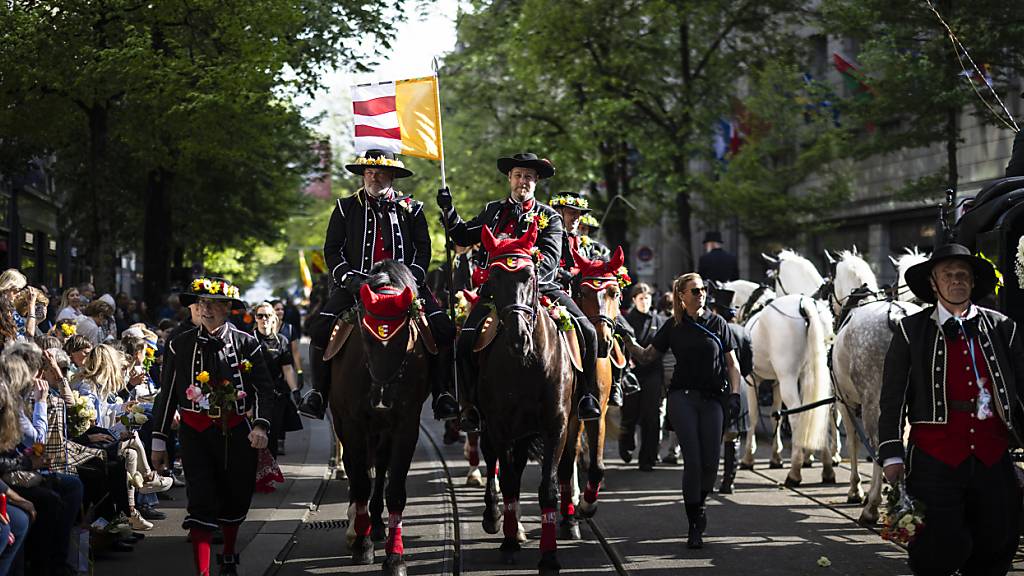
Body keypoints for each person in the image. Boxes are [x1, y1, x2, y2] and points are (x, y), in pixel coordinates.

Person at [879, 243, 1024, 576]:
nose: (956, 280)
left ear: (972, 283)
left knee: (997, 537)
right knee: (935, 544)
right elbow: (892, 398)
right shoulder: (910, 331)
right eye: (948, 275)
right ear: (933, 283)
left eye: (963, 275)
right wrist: (891, 454)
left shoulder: (1003, 328)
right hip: (934, 456)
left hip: (992, 452)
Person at [437, 152, 603, 431]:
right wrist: (449, 210)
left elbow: (550, 258)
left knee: (587, 330)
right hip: (496, 293)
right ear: (509, 179)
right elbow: (463, 235)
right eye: (518, 175)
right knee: (464, 340)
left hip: (540, 289)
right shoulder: (493, 210)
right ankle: (469, 405)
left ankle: (587, 396)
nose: (522, 181)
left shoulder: (550, 217)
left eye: (528, 177)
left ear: (536, 181)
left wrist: (528, 279)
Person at [297, 150, 458, 422]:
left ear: (392, 176)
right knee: (320, 328)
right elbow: (333, 250)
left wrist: (411, 279)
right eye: (369, 172)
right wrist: (348, 279)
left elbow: (423, 250)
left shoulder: (413, 209)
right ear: (363, 176)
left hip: (405, 288)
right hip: (356, 285)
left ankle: (442, 394)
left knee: (443, 327)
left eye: (380, 172)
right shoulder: (344, 207)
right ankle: (318, 394)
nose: (374, 177)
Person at [151, 277, 275, 576]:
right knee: (201, 500)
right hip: (194, 433)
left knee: (235, 495)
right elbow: (167, 393)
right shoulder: (179, 344)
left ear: (227, 307)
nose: (205, 310)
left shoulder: (247, 342)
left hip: (236, 431)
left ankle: (229, 555)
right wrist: (158, 440)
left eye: (213, 304)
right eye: (201, 303)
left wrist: (259, 426)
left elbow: (265, 390)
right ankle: (203, 571)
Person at [625, 273, 742, 549]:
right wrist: (626, 339)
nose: (701, 294)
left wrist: (735, 395)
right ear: (682, 296)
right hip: (682, 398)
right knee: (693, 460)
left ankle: (699, 504)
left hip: (713, 400)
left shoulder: (718, 323)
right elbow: (647, 356)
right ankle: (694, 522)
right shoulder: (673, 326)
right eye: (694, 291)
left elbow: (733, 364)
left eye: (703, 289)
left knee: (711, 463)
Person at [707, 285, 751, 494]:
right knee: (732, 437)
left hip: (716, 385)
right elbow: (748, 365)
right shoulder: (743, 331)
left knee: (712, 435)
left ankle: (709, 479)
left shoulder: (713, 328)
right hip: (738, 386)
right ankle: (729, 482)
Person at [619, 283, 666, 472]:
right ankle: (626, 443)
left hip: (653, 373)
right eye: (641, 299)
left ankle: (647, 456)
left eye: (647, 298)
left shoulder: (660, 320)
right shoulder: (626, 320)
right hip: (632, 374)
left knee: (651, 417)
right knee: (630, 415)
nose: (645, 302)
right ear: (634, 300)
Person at [252, 302, 302, 457]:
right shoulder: (248, 340)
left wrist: (294, 390)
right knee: (253, 438)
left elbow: (287, 368)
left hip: (277, 396)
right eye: (260, 316)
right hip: (255, 397)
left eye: (267, 315)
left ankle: (269, 475)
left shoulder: (281, 341)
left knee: (272, 437)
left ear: (273, 317)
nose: (264, 319)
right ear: (255, 318)